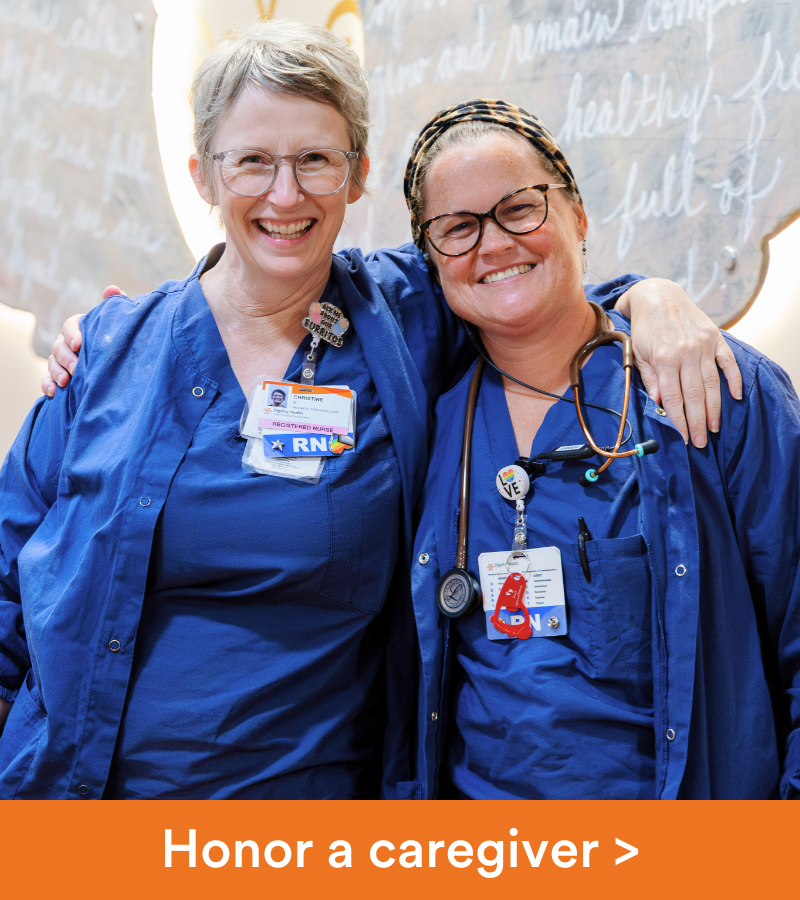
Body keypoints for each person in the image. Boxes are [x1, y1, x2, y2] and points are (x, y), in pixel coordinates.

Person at [0, 21, 740, 799]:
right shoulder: (111, 350)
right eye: (252, 160)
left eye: (316, 159)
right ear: (202, 175)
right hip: (70, 803)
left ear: (354, 177)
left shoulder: (404, 317)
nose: (285, 194)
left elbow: (522, 279)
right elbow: (8, 578)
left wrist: (651, 300)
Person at [398, 100, 800, 800]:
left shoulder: (714, 391)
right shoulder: (427, 425)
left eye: (519, 209)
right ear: (432, 262)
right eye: (457, 229)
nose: (492, 245)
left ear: (577, 215)